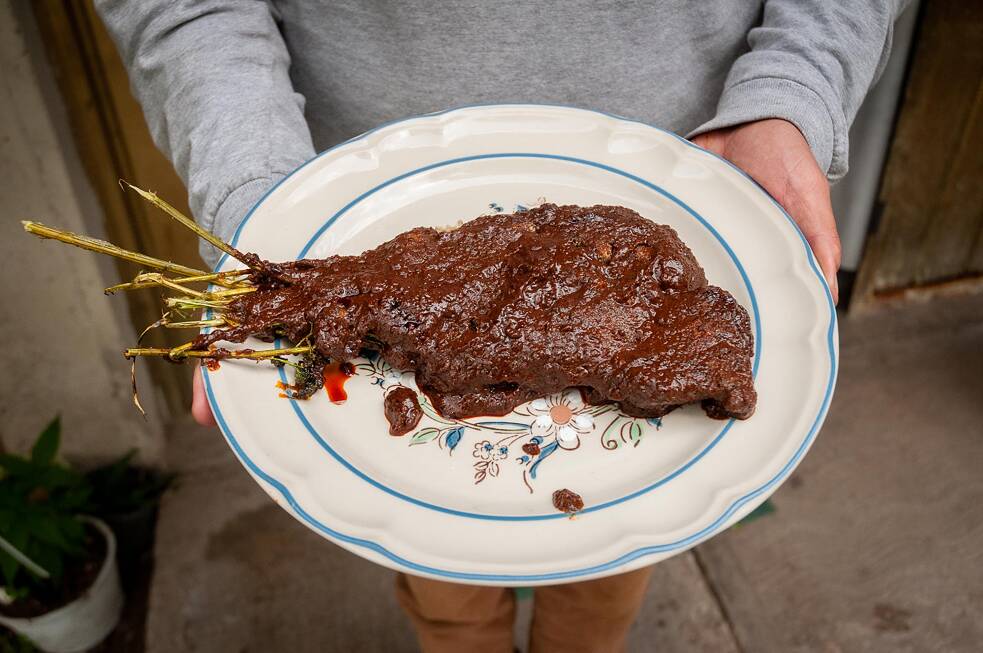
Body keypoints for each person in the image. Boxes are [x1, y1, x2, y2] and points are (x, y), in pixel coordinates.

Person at [97, 2, 908, 651]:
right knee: (447, 597)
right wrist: (260, 207)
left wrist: (788, 94)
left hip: (692, 170)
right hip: (359, 205)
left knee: (606, 585)